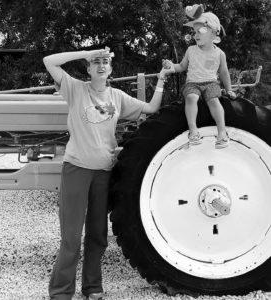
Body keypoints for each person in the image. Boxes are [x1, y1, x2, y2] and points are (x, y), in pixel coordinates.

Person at [43, 47, 173, 300]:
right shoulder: (75, 89)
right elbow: (49, 61)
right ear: (88, 68)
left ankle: (92, 288)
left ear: (110, 69)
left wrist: (161, 79)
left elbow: (151, 108)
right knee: (71, 237)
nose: (101, 65)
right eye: (95, 62)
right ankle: (60, 291)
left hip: (103, 172)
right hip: (76, 169)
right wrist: (87, 51)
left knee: (98, 234)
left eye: (105, 62)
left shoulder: (118, 96)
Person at [163, 4, 236, 148]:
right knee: (191, 97)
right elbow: (182, 67)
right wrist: (171, 66)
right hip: (193, 83)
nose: (196, 35)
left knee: (214, 100)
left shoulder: (220, 54)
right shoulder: (191, 50)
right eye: (194, 31)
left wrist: (229, 89)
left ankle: (222, 132)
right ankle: (193, 131)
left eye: (200, 31)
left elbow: (223, 72)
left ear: (214, 34)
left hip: (211, 83)